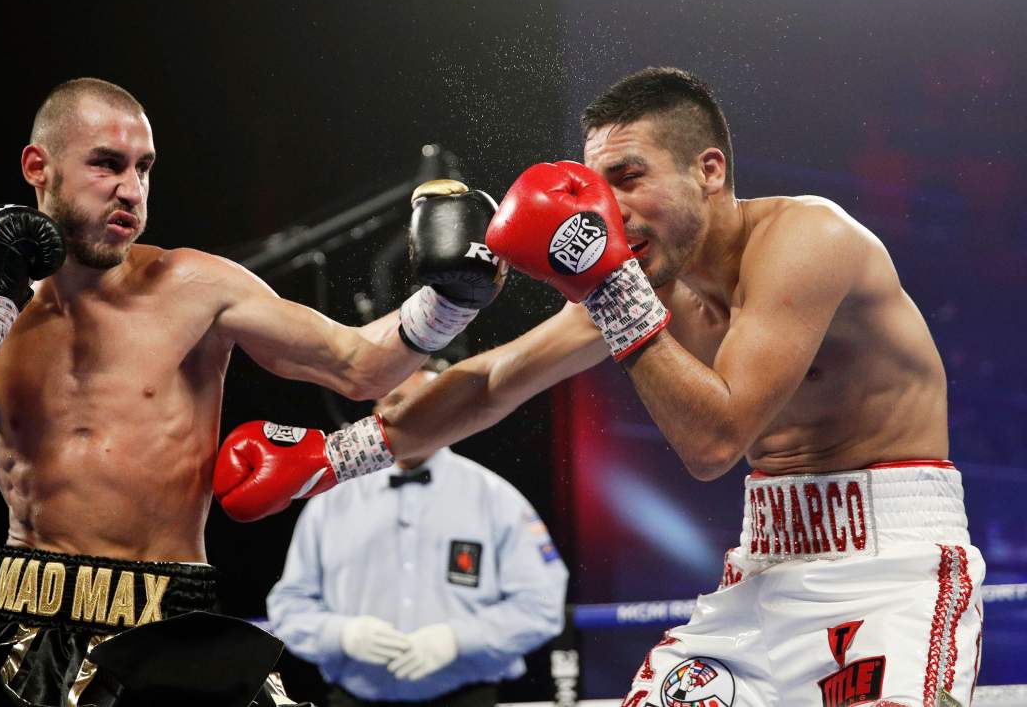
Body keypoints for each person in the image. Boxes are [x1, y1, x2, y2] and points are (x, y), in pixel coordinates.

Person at [219, 68, 984, 707]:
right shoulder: (647, 286)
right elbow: (490, 381)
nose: (609, 208)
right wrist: (334, 455)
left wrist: (611, 288)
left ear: (708, 170)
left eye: (630, 177)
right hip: (766, 575)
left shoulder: (809, 239)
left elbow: (717, 440)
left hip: (892, 574)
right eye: (596, 185)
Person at [0, 77, 504, 707]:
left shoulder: (196, 286)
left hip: (167, 620)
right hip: (19, 616)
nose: (130, 189)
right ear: (39, 167)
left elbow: (358, 365)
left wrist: (451, 301)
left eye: (144, 168)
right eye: (106, 165)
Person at [265, 364, 569, 707]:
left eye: (425, 402)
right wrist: (341, 636)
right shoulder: (332, 502)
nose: (411, 415)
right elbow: (288, 606)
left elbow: (541, 605)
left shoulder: (496, 499)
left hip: (465, 698)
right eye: (397, 403)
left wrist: (459, 640)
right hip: (353, 698)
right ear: (376, 414)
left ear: (448, 413)